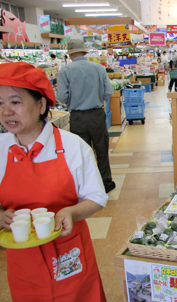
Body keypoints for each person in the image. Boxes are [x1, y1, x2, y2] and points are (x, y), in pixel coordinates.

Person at [0, 62, 108, 302]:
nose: (6, 111)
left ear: (42, 105)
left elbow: (96, 196)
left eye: (15, 101)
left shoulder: (72, 146)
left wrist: (71, 212)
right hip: (23, 256)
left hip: (69, 248)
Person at [57, 39, 116, 193]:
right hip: (97, 114)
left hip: (77, 117)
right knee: (101, 149)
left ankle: (86, 185)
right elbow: (109, 92)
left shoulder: (65, 70)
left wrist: (74, 99)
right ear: (84, 51)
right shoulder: (98, 68)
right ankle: (106, 182)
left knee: (81, 152)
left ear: (70, 53)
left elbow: (62, 96)